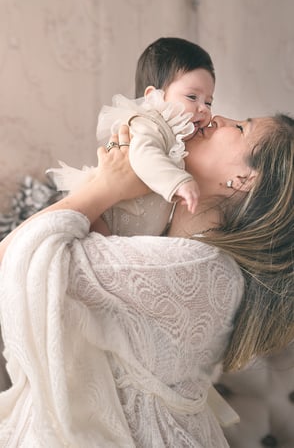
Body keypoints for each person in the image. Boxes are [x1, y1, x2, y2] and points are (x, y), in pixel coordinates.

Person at [0, 111, 293, 447]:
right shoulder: (179, 250)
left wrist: (103, 189)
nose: (219, 118)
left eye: (241, 128)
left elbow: (14, 260)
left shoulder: (196, 269)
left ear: (244, 178)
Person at [47, 37, 215, 236]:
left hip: (132, 229)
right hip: (104, 216)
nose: (203, 108)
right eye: (192, 97)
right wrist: (179, 182)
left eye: (209, 102)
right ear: (155, 96)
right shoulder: (149, 123)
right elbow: (143, 154)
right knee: (87, 243)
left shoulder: (178, 139)